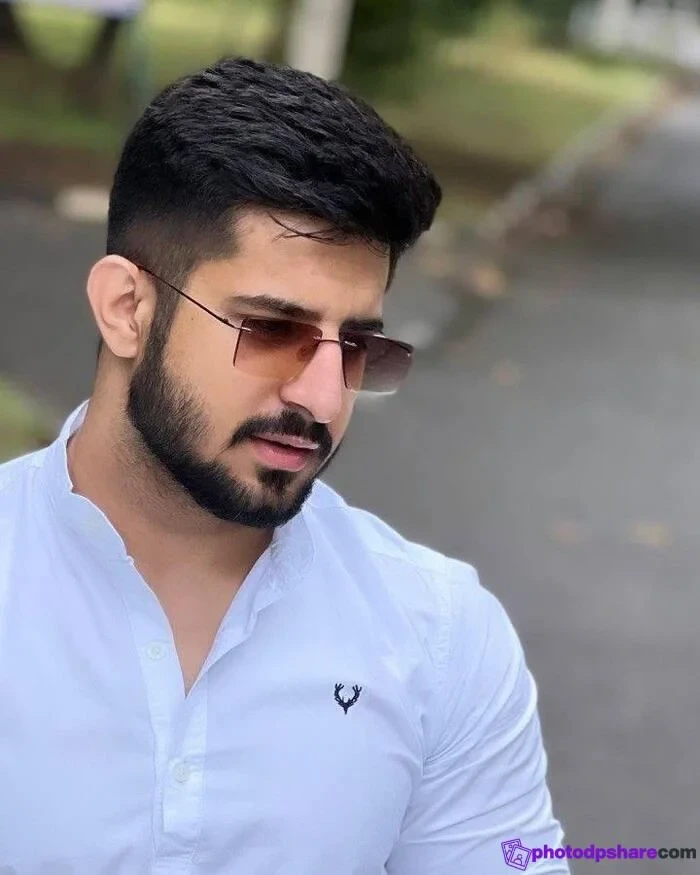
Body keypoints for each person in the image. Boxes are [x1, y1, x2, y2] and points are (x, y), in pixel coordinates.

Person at [0, 57, 570, 874]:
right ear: (127, 308)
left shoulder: (440, 639)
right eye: (271, 329)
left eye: (358, 346)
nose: (323, 394)